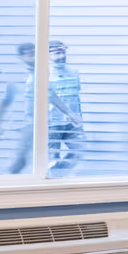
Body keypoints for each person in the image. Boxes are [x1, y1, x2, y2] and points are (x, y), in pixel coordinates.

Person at [0, 41, 36, 174]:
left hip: (49, 125)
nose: (31, 55)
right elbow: (4, 102)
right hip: (25, 126)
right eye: (27, 53)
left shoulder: (50, 74)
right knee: (20, 160)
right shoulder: (16, 79)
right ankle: (6, 179)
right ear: (20, 57)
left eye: (34, 52)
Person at [45, 39, 85, 176]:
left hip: (72, 123)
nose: (61, 55)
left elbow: (75, 97)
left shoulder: (73, 72)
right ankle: (54, 179)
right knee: (52, 159)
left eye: (62, 52)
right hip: (52, 123)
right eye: (56, 52)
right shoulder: (45, 74)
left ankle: (59, 174)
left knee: (80, 150)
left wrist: (79, 117)